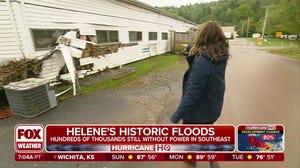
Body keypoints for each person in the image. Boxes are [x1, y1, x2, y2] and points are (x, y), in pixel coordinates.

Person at [171, 21, 229, 167]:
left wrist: (176, 116)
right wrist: (192, 49)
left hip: (197, 111)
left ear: (202, 36)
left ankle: (192, 160)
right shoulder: (221, 54)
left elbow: (193, 93)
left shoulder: (202, 62)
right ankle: (212, 159)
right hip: (213, 106)